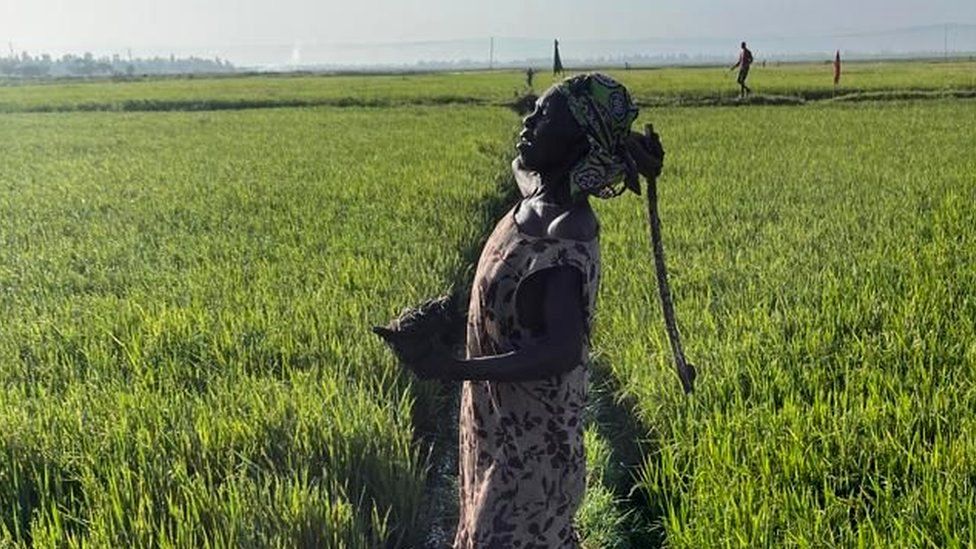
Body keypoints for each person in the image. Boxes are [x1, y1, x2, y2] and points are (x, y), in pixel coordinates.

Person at [396, 73, 664, 547]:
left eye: (546, 116)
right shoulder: (534, 197)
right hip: (499, 429)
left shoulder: (567, 231)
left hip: (532, 451)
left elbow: (561, 352)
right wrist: (619, 159)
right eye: (534, 111)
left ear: (576, 139)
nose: (530, 121)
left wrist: (452, 368)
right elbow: (522, 164)